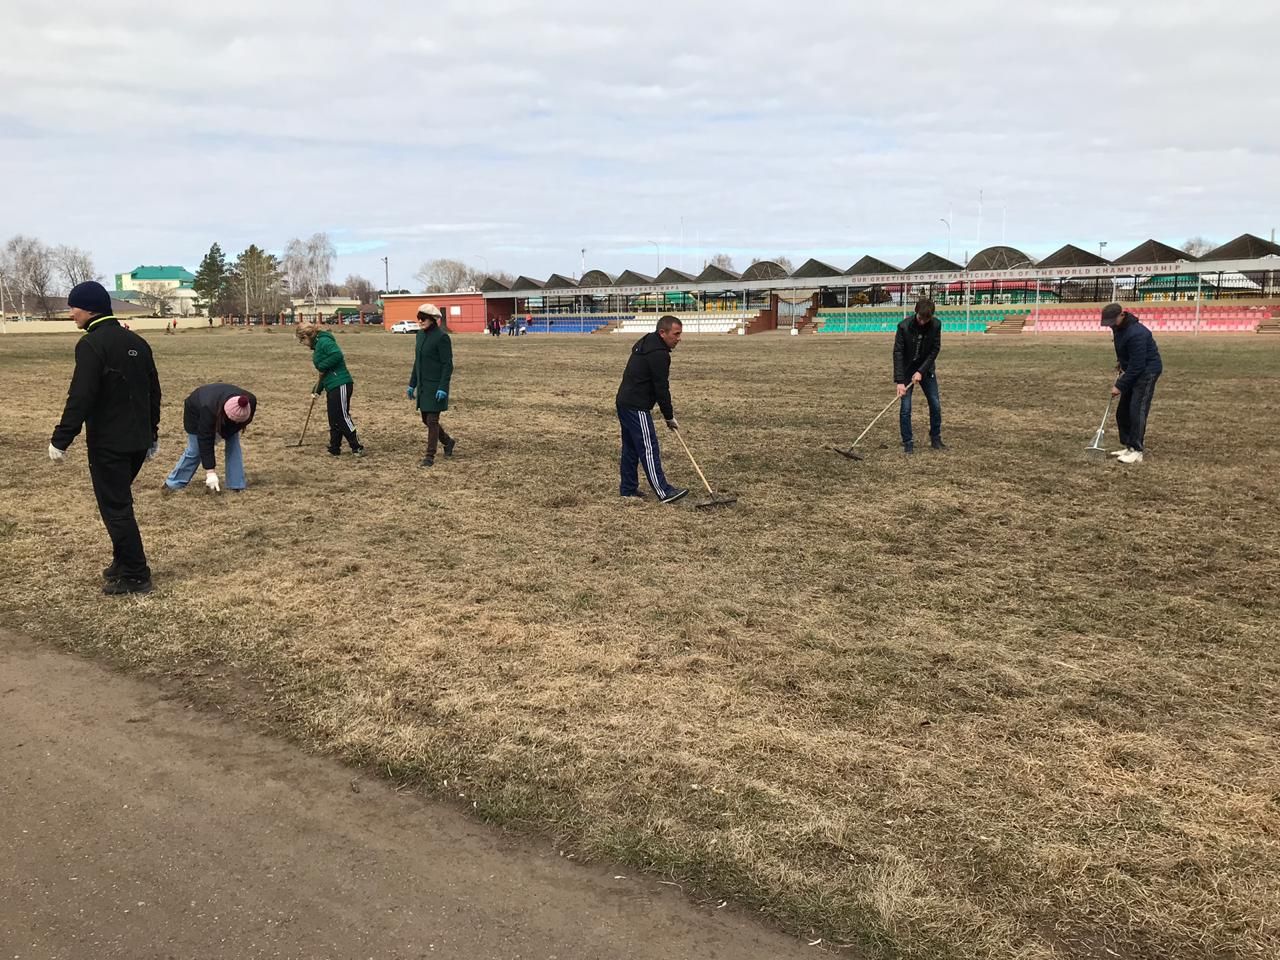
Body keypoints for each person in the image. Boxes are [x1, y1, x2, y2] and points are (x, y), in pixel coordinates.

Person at [48, 280, 161, 596]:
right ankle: (122, 563)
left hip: (110, 442)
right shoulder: (138, 342)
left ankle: (136, 574)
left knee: (116, 507)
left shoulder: (91, 345)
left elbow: (81, 395)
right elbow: (153, 391)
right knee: (120, 502)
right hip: (137, 440)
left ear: (89, 308)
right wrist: (152, 433)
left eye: (74, 307)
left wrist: (61, 438)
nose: (71, 313)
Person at [615, 315, 687, 503]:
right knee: (648, 447)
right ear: (662, 333)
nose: (679, 338)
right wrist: (669, 416)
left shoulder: (648, 342)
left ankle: (628, 489)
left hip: (624, 401)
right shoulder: (658, 354)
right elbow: (661, 387)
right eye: (676, 334)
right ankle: (663, 491)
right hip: (636, 406)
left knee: (631, 448)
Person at [164, 384, 257, 492]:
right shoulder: (208, 409)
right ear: (225, 413)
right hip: (195, 413)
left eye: (239, 420)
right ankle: (173, 483)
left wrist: (224, 433)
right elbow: (205, 440)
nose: (236, 422)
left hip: (221, 414)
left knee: (233, 444)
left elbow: (239, 423)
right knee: (195, 449)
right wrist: (210, 472)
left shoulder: (251, 401)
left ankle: (236, 484)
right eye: (234, 419)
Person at [1101, 303, 1162, 464]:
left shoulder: (1137, 333)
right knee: (1123, 411)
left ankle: (1137, 450)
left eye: (1112, 321)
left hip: (1147, 372)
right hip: (1133, 369)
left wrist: (1120, 386)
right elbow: (1123, 350)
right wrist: (1121, 362)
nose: (1110, 326)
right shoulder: (1118, 329)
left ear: (1122, 315)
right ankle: (1128, 446)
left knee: (1137, 409)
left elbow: (1138, 365)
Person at [295, 323, 364, 457]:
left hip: (341, 383)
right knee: (333, 418)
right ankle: (335, 447)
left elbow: (337, 355)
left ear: (307, 336)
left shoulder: (324, 341)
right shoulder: (317, 346)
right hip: (331, 385)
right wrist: (316, 389)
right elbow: (323, 374)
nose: (301, 343)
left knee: (342, 416)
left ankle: (356, 446)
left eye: (301, 340)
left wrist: (322, 365)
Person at [893, 298, 945, 454]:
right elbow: (898, 353)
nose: (922, 322)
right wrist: (900, 381)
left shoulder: (936, 325)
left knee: (935, 404)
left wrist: (921, 371)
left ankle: (935, 438)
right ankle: (908, 442)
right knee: (906, 408)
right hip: (907, 370)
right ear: (916, 313)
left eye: (926, 319)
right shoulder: (904, 326)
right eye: (920, 318)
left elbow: (934, 350)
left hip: (926, 370)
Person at [407, 303, 456, 467]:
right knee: (425, 419)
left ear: (432, 320)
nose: (420, 321)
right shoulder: (419, 336)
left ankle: (430, 456)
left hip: (436, 386)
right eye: (418, 318)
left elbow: (447, 364)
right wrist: (412, 383)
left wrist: (443, 387)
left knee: (432, 420)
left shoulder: (442, 337)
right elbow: (417, 362)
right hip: (423, 386)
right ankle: (448, 441)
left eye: (423, 319)